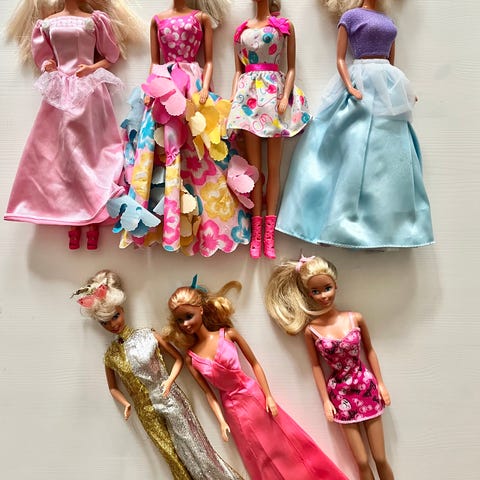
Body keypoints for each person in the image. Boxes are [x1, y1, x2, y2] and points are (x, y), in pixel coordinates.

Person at [276, 0, 434, 249]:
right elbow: (340, 59)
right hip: (360, 79)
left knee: (390, 152)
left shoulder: (388, 20)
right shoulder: (351, 17)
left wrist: (403, 91)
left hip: (386, 84)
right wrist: (349, 86)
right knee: (350, 141)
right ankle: (337, 221)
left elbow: (392, 62)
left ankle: (389, 226)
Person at [108, 0, 256, 256]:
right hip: (164, 84)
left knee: (202, 147)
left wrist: (205, 87)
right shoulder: (157, 19)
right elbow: (154, 62)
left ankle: (207, 224)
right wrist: (151, 86)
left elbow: (209, 61)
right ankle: (163, 219)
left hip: (193, 83)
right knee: (161, 145)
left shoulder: (201, 18)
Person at [164, 278, 348, 480]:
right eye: (180, 320)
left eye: (188, 316)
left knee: (287, 442)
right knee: (260, 457)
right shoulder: (191, 358)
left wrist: (268, 396)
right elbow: (209, 394)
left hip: (253, 396)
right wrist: (221, 421)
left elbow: (255, 364)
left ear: (200, 310)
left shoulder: (228, 334)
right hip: (233, 410)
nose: (185, 324)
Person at [73, 270, 244, 480]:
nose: (113, 324)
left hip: (169, 398)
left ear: (122, 310)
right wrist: (126, 404)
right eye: (105, 322)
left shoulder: (148, 335)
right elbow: (113, 387)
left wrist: (169, 381)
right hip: (145, 411)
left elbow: (178, 358)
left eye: (115, 316)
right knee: (171, 456)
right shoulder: (111, 356)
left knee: (194, 445)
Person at [4, 0, 143, 250]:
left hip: (88, 89)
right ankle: (73, 222)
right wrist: (47, 65)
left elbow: (111, 56)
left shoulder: (94, 20)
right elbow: (43, 57)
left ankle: (93, 220)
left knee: (92, 154)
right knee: (63, 157)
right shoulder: (47, 24)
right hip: (60, 90)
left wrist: (92, 67)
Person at [265, 255, 395, 480]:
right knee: (361, 462)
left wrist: (381, 384)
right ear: (309, 294)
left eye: (327, 288)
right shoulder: (311, 330)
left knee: (380, 458)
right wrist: (326, 401)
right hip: (340, 395)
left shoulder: (355, 318)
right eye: (316, 291)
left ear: (336, 286)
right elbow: (316, 366)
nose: (324, 296)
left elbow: (370, 351)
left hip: (366, 387)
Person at [227, 0, 310, 259]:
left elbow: (291, 67)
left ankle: (269, 235)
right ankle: (256, 231)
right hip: (249, 98)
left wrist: (285, 97)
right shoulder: (241, 30)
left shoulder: (283, 26)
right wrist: (233, 100)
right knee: (255, 170)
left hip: (274, 96)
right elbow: (238, 71)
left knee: (274, 168)